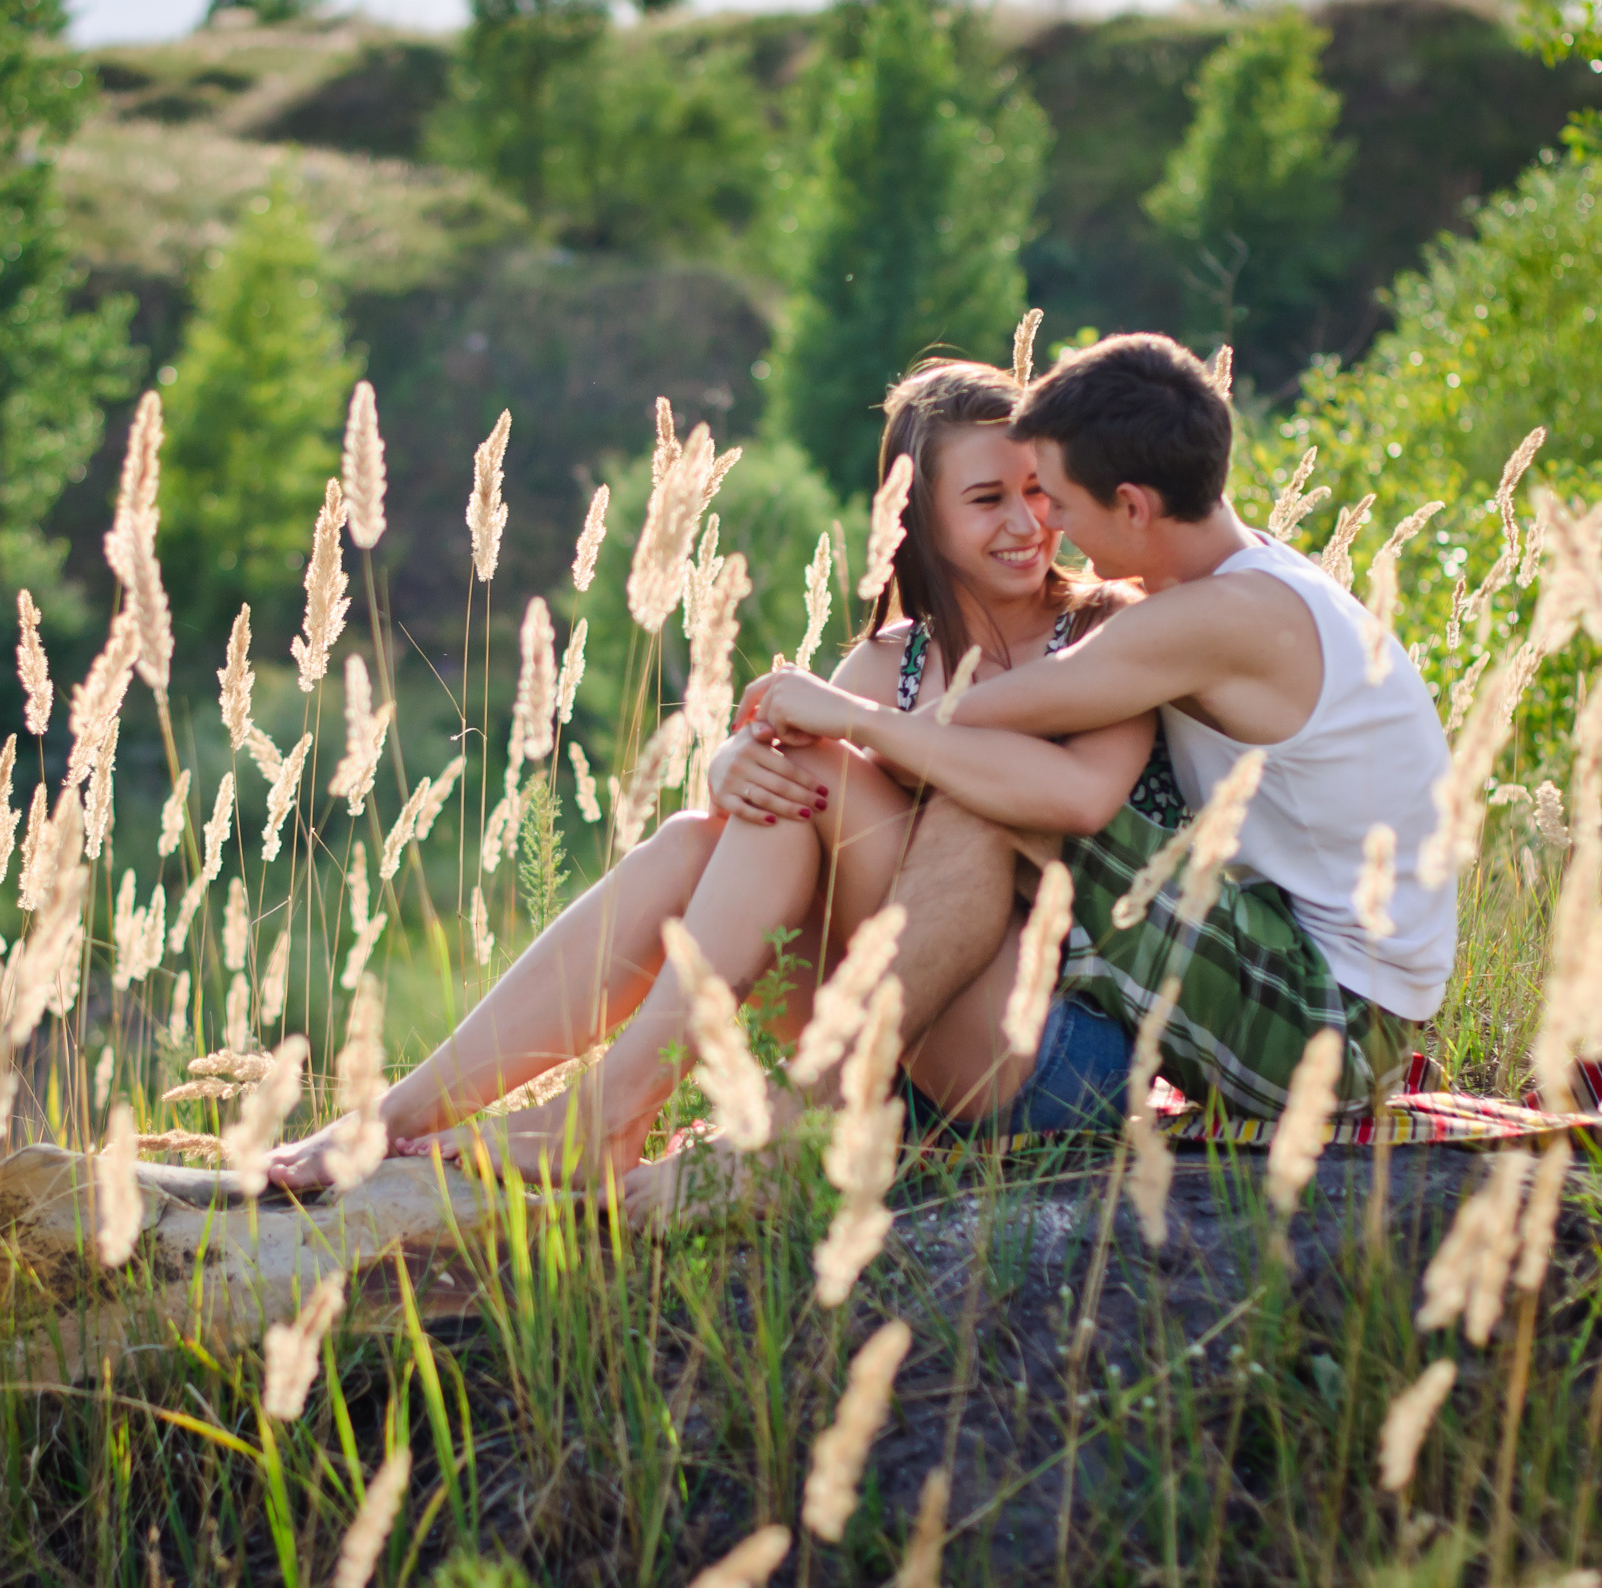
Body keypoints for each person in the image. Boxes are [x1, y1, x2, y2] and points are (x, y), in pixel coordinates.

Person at [267, 360, 1158, 1191]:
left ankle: (609, 1108)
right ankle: (408, 1112)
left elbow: (1079, 800)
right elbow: (750, 850)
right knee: (705, 830)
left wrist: (832, 734)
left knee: (801, 773)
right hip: (892, 1064)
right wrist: (734, 764)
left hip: (1044, 1054)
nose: (1025, 522)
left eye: (1040, 491)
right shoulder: (892, 665)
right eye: (989, 498)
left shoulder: (1105, 629)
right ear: (918, 518)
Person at [745, 332, 1455, 1132]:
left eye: (1062, 503)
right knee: (995, 776)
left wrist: (841, 718)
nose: (1051, 528)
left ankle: (808, 1112)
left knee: (1004, 792)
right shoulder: (1248, 577)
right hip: (1302, 978)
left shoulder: (1219, 616)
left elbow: (982, 715)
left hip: (1336, 1028)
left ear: (1133, 506)